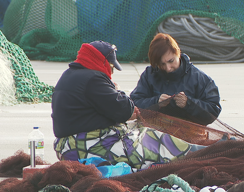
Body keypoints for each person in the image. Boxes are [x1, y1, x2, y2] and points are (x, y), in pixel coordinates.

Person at [51, 40, 205, 171]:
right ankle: (203, 152)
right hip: (87, 147)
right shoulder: (94, 79)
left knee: (145, 135)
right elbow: (125, 110)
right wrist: (116, 90)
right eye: (112, 67)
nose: (111, 71)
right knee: (154, 140)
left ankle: (200, 150)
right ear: (104, 62)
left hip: (67, 148)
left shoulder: (70, 74)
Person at [130, 33, 222, 125]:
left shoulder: (199, 78)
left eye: (171, 61)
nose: (168, 68)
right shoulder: (149, 75)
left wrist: (188, 103)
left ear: (178, 53)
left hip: (189, 134)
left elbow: (214, 110)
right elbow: (133, 104)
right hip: (155, 132)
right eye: (162, 64)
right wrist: (156, 102)